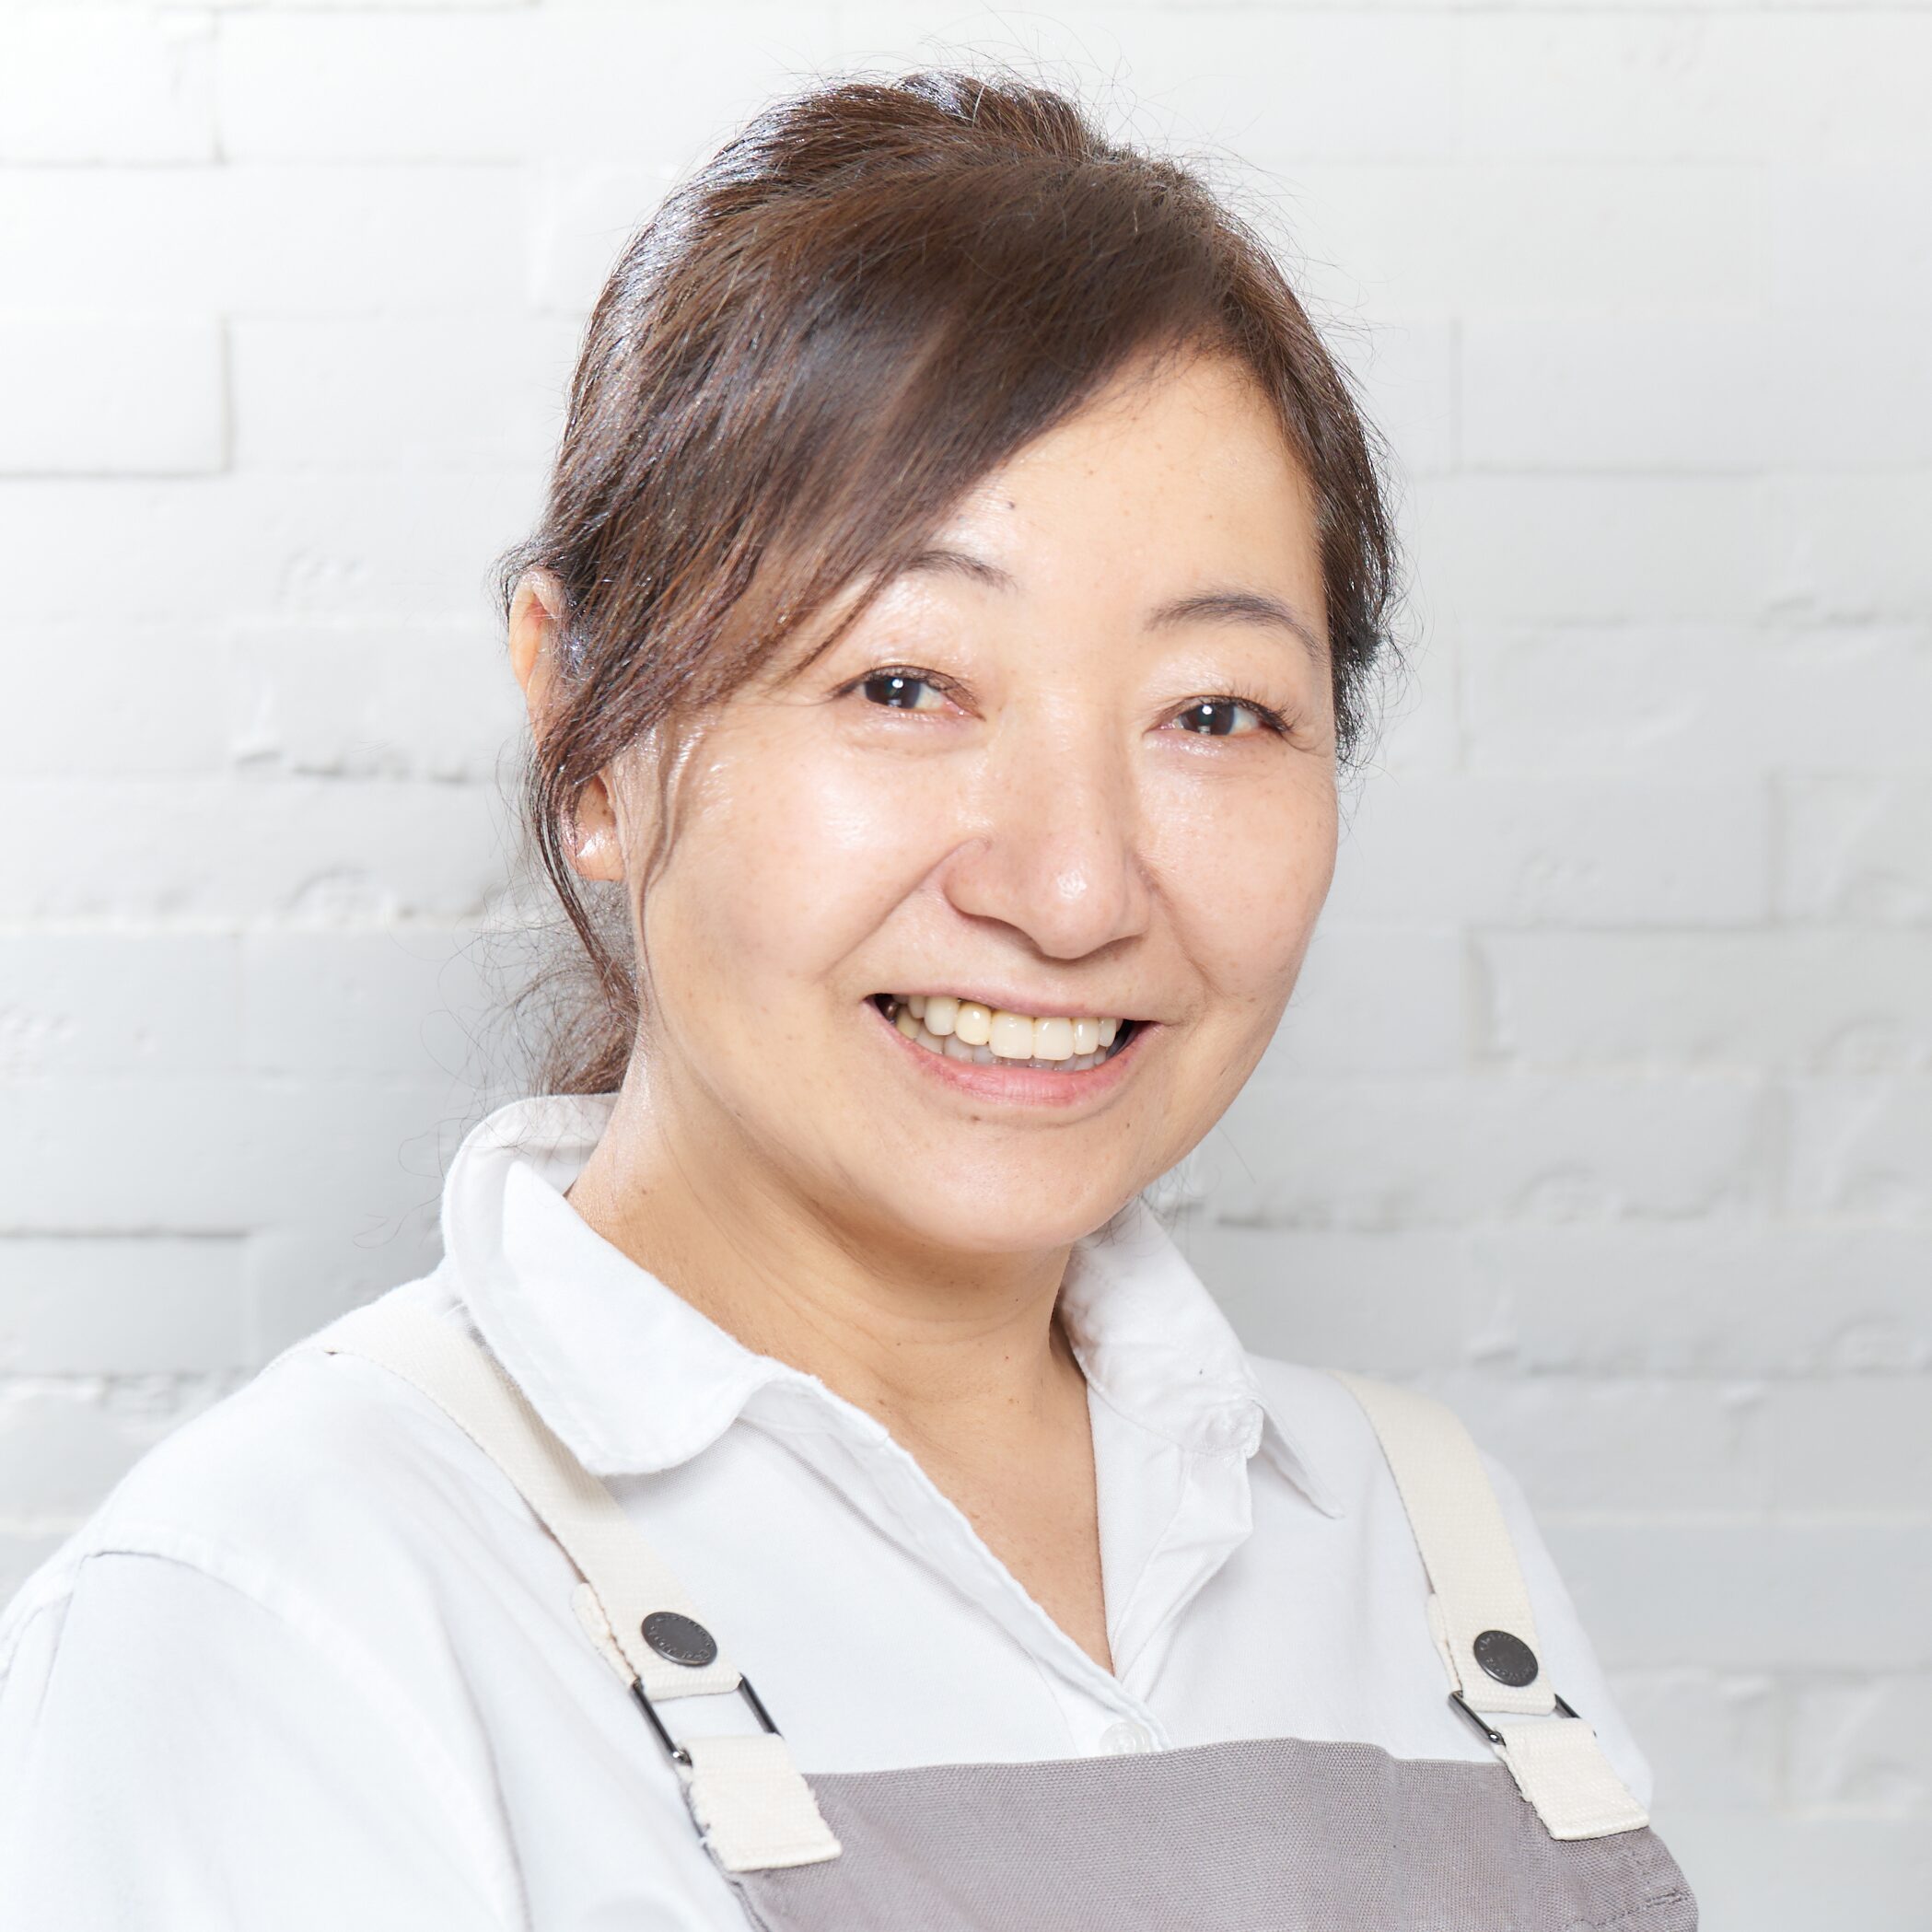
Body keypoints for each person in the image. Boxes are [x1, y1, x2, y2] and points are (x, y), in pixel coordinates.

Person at [0, 68, 1694, 1931]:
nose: (1071, 888)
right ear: (587, 733)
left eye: (1213, 712)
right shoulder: (287, 1615)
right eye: (902, 685)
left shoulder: (1426, 1549)